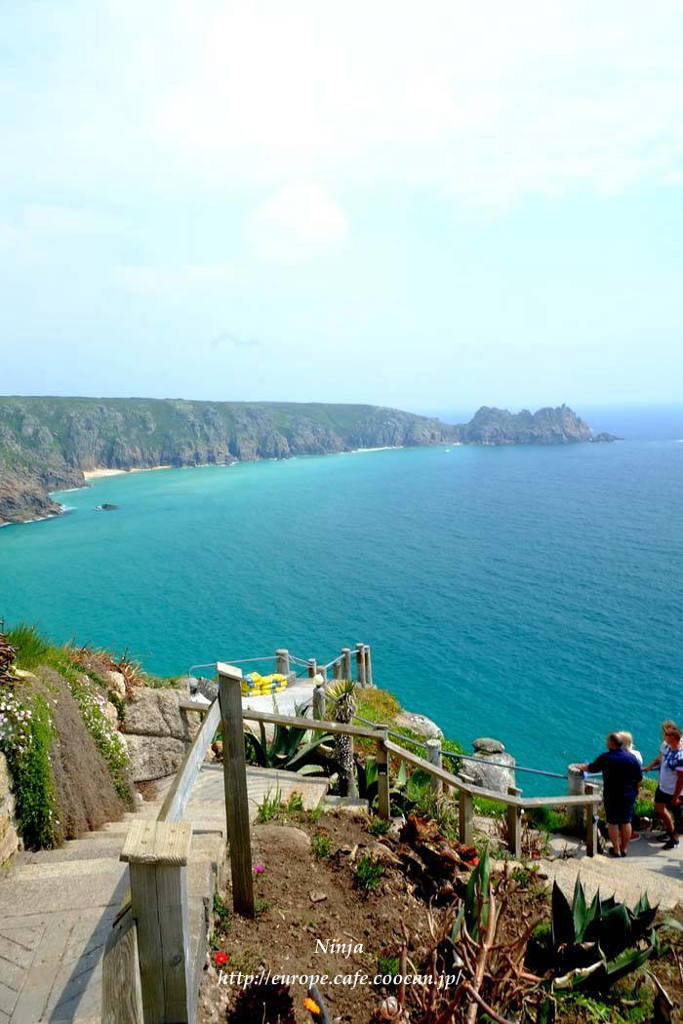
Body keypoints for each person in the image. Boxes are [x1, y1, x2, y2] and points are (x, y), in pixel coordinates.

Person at [575, 732, 642, 857]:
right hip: (629, 795)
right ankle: (624, 848)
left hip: (612, 795)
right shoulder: (632, 758)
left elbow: (592, 768)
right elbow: (639, 778)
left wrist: (580, 766)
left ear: (611, 743)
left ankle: (616, 850)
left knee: (612, 822)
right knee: (626, 821)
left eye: (607, 741)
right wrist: (636, 791)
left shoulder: (606, 757)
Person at [643, 722, 683, 850]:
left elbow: (681, 779)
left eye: (666, 735)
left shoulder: (680, 756)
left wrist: (676, 796)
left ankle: (675, 839)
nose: (664, 736)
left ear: (674, 738)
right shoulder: (667, 746)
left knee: (679, 817)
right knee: (659, 808)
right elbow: (660, 758)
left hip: (675, 792)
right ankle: (670, 831)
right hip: (663, 787)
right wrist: (649, 767)